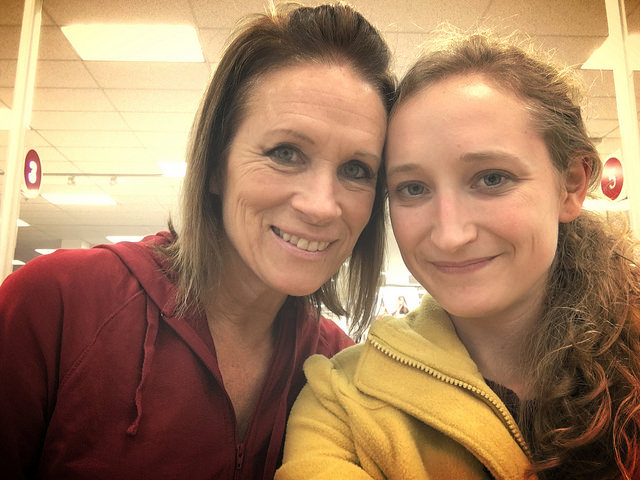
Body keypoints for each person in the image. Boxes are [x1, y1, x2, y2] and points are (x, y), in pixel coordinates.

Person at [0, 4, 395, 479]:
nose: (322, 206)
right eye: (285, 153)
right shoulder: (58, 305)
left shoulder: (334, 367)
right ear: (214, 166)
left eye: (356, 170)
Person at [276, 31, 640, 480]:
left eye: (491, 179)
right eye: (413, 188)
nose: (450, 235)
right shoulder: (342, 401)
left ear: (571, 184)